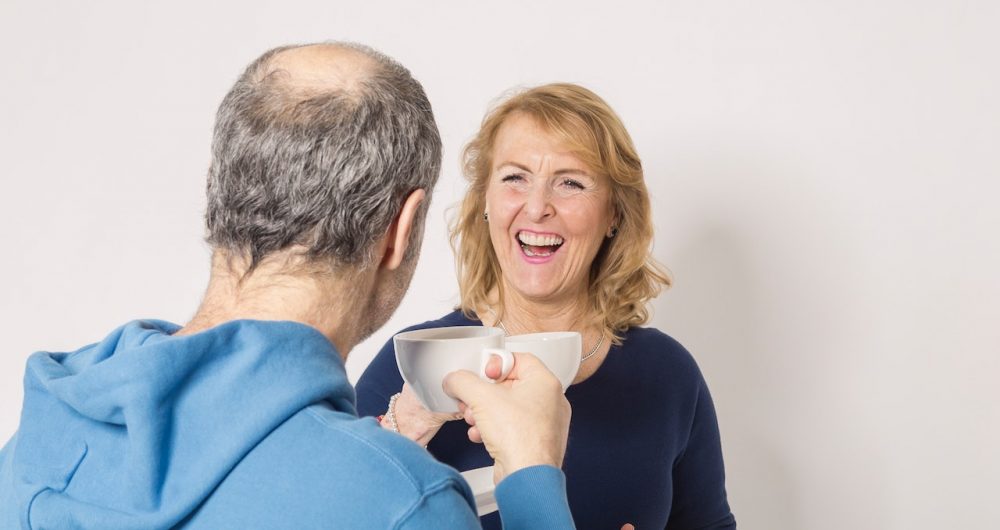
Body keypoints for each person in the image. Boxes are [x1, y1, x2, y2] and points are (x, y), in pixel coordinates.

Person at [0, 42, 577, 529]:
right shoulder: (400, 504)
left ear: (220, 189)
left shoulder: (36, 441)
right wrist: (532, 474)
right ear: (399, 230)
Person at [357, 83, 738, 529]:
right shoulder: (411, 365)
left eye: (570, 183)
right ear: (485, 200)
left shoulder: (668, 375)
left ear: (613, 214)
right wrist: (402, 436)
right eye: (515, 178)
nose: (537, 208)